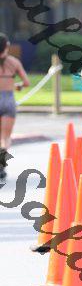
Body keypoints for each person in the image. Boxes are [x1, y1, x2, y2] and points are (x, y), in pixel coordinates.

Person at [0, 34, 30, 179]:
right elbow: (26, 82)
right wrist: (17, 86)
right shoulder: (14, 62)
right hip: (9, 100)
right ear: (7, 46)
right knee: (5, 137)